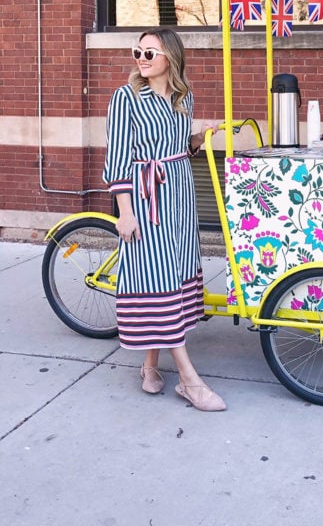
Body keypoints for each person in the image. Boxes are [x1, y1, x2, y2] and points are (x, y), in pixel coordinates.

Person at [102, 28, 226, 412]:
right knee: (156, 278)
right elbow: (118, 158)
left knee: (172, 273)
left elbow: (178, 146)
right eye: (138, 51)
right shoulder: (125, 99)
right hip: (144, 197)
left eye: (150, 53)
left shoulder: (183, 97)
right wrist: (125, 212)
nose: (141, 58)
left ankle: (149, 365)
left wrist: (199, 138)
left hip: (180, 197)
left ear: (170, 57)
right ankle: (189, 380)